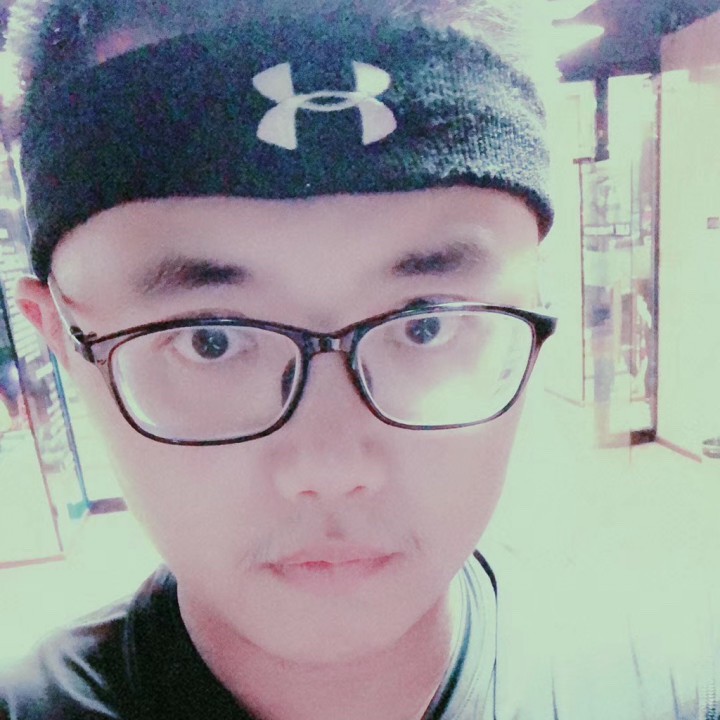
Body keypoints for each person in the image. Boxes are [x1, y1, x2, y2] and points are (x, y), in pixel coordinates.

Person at [0, 1, 716, 718]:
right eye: (209, 339)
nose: (331, 467)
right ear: (59, 341)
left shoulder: (666, 695)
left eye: (427, 325)